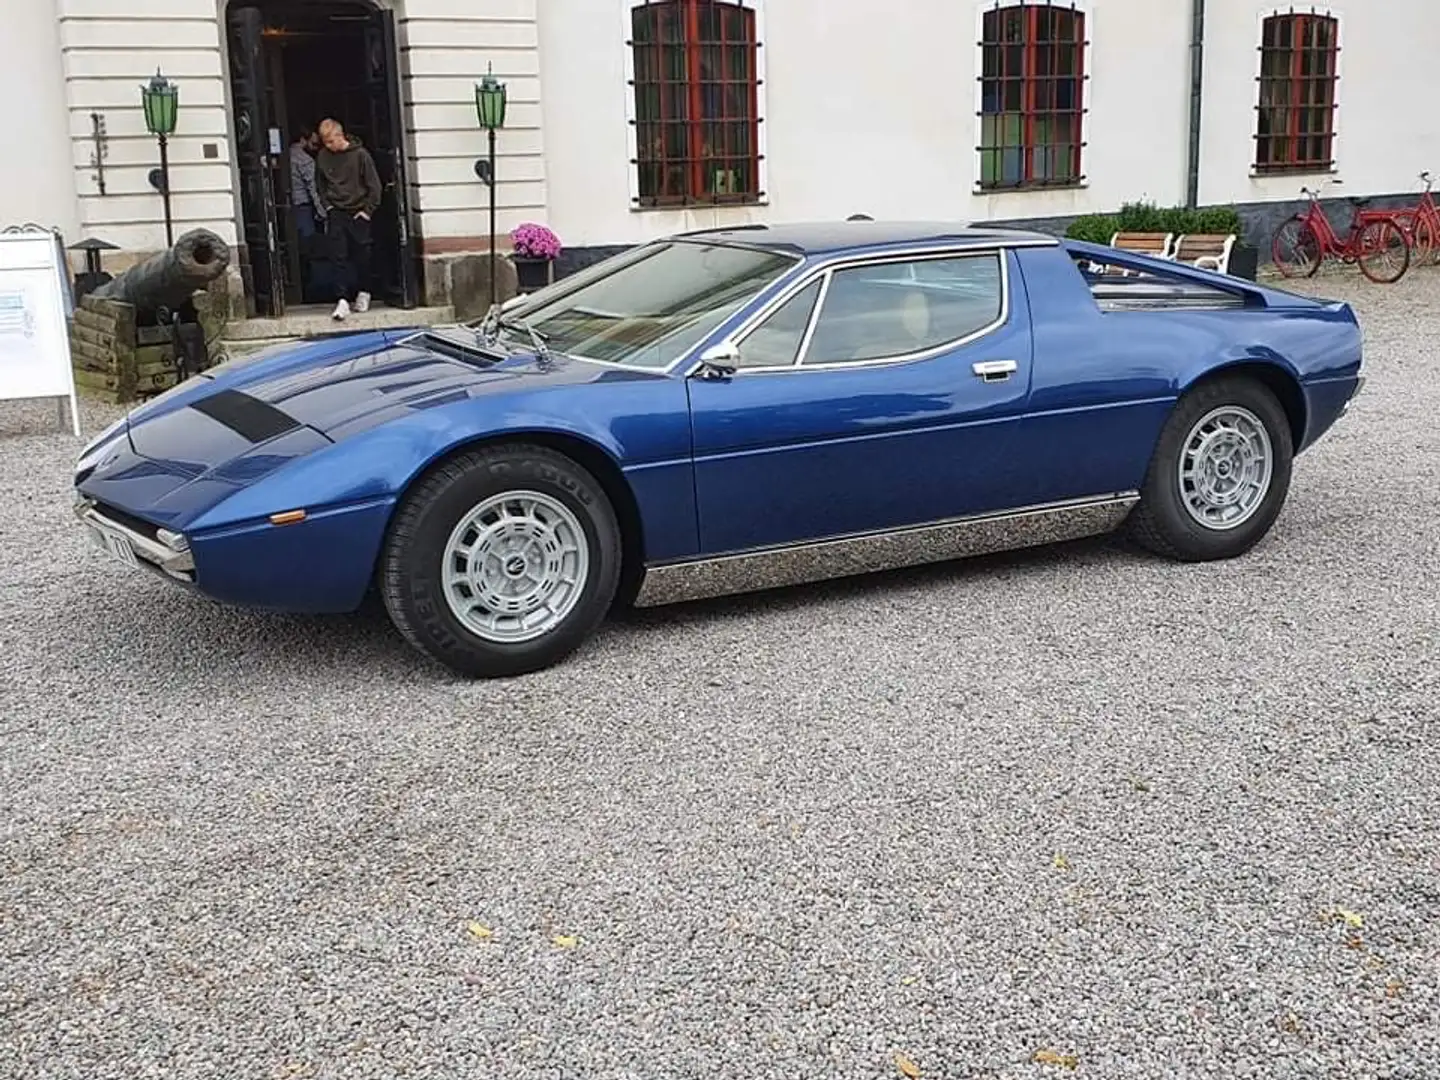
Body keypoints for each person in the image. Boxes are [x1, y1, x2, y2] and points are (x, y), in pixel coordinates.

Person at [315, 118, 382, 320]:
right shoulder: (323, 156)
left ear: (339, 135)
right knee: (338, 257)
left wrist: (367, 211)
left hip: (358, 211)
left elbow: (374, 185)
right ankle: (342, 299)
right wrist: (327, 205)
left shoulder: (360, 155)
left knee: (362, 255)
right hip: (336, 211)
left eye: (330, 141)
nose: (328, 146)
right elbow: (320, 184)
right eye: (324, 142)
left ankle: (365, 291)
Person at [288, 125, 326, 298]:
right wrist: (322, 211)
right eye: (313, 141)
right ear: (303, 139)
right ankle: (307, 285)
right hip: (303, 207)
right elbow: (313, 188)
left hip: (288, 207)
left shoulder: (284, 156)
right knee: (307, 247)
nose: (316, 144)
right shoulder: (305, 160)